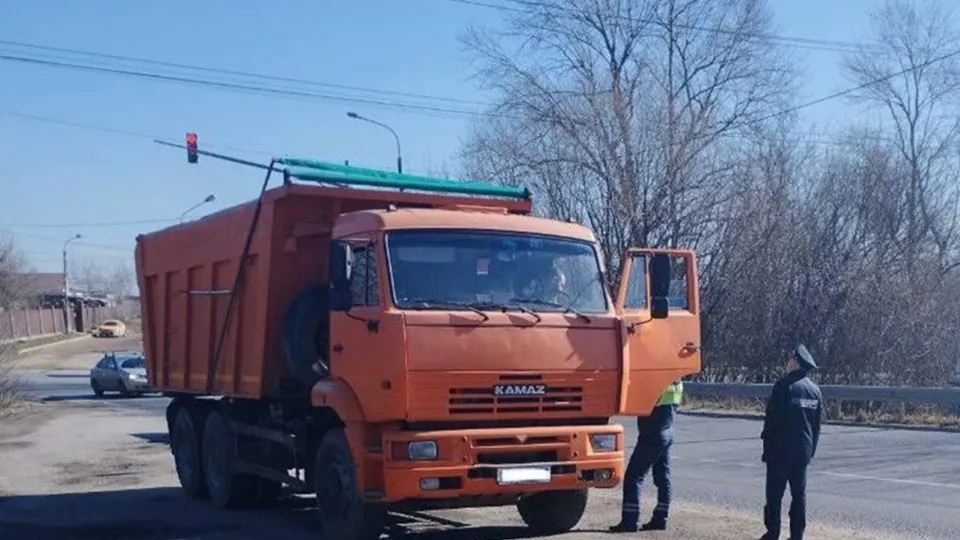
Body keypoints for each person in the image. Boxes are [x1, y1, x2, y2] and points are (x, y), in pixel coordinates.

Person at [759, 344, 823, 540]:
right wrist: (810, 451)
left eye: (790, 359)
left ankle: (773, 533)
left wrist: (766, 448)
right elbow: (816, 426)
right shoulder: (815, 391)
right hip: (802, 452)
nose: (788, 362)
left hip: (780, 452)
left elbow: (772, 420)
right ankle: (797, 535)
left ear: (796, 362)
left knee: (774, 496)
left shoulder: (783, 386)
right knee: (799, 496)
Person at [609, 380, 684, 533]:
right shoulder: (678, 384)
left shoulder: (659, 383)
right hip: (668, 431)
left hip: (652, 434)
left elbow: (641, 403)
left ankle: (630, 521)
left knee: (633, 477)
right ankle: (661, 518)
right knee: (663, 476)